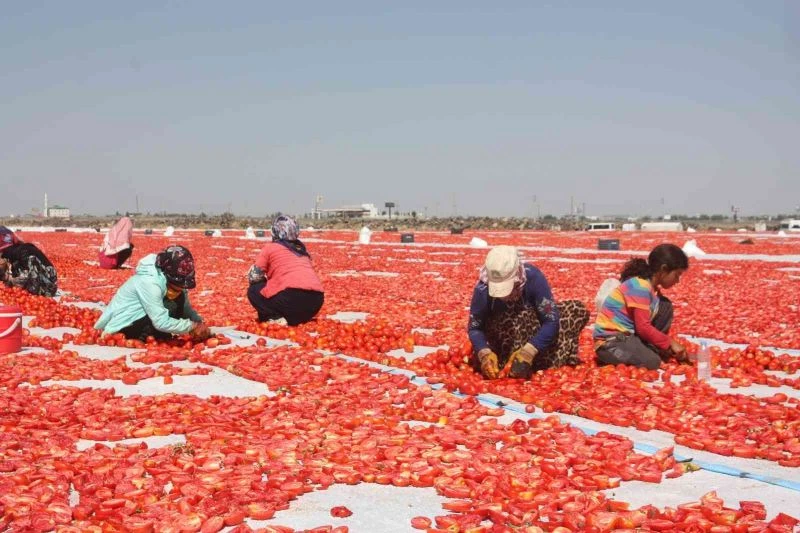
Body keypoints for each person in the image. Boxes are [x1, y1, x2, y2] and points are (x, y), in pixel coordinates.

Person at [468, 245, 589, 379]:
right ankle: (511, 363)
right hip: (502, 341)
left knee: (576, 309)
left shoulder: (533, 277)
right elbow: (475, 328)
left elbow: (550, 320)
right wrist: (484, 353)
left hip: (532, 334)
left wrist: (529, 351)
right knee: (518, 317)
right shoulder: (482, 288)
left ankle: (526, 360)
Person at [593, 243, 689, 369]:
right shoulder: (640, 287)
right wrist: (670, 342)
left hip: (629, 337)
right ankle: (619, 355)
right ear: (663, 269)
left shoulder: (652, 290)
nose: (677, 280)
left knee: (665, 306)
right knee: (652, 362)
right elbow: (643, 327)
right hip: (610, 342)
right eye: (677, 275)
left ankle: (647, 349)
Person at [94, 245, 210, 342]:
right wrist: (191, 327)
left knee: (179, 300)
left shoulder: (174, 280)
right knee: (169, 309)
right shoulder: (150, 282)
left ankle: (158, 335)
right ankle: (148, 336)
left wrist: (199, 324)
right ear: (168, 275)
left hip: (149, 318)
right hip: (126, 324)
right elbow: (160, 322)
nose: (181, 288)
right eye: (178, 285)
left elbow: (186, 309)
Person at [247, 215, 324, 326]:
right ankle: (294, 318)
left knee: (254, 290)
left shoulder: (270, 247)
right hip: (316, 302)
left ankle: (275, 318)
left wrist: (266, 282)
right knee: (291, 303)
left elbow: (253, 276)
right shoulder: (301, 250)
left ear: (275, 231)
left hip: (289, 298)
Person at [0, 226, 58, 297]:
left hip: (25, 257)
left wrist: (9, 280)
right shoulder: (6, 231)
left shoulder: (9, 254)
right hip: (51, 278)